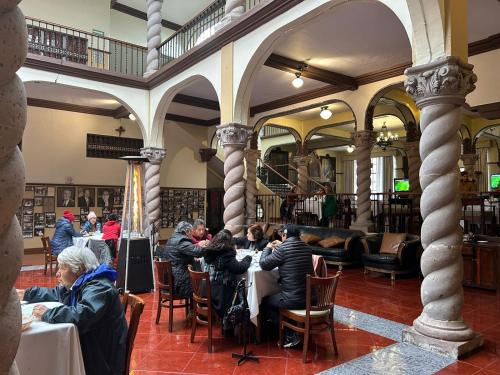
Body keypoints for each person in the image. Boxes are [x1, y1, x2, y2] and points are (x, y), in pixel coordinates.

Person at [18, 246, 127, 375]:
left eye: (62, 267)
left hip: (102, 358)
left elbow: (82, 315)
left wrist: (48, 313)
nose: (57, 273)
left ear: (79, 269)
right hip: (91, 346)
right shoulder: (81, 283)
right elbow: (57, 293)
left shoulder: (99, 287)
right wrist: (27, 294)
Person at [259, 224, 313, 348]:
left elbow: (264, 264)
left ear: (284, 235)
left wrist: (267, 247)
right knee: (277, 297)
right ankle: (291, 327)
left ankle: (290, 334)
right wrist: (282, 245)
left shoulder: (282, 249)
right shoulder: (307, 247)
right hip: (310, 297)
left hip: (293, 299)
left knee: (265, 301)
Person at [203, 229, 251, 318]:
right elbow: (239, 268)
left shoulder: (209, 250)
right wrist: (248, 258)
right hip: (220, 296)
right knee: (247, 293)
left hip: (207, 289)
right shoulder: (226, 253)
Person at [155, 221, 207, 298]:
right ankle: (200, 307)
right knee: (205, 284)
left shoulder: (172, 238)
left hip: (170, 279)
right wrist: (206, 247)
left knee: (200, 279)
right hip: (178, 282)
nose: (191, 234)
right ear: (187, 231)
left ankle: (193, 308)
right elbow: (198, 252)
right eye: (191, 232)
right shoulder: (181, 241)